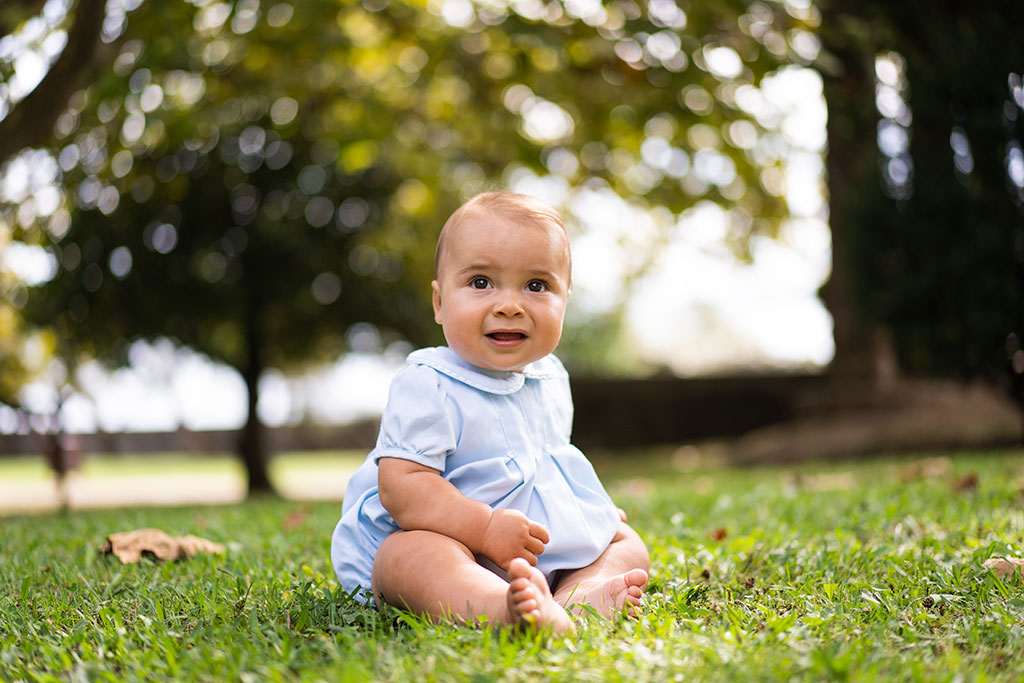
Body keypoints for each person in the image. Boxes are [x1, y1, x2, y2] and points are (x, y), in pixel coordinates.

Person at [331, 191, 649, 633]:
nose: (509, 305)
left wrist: (588, 510)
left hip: (536, 544)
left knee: (625, 542)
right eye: (481, 282)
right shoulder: (430, 383)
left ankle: (576, 597)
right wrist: (484, 529)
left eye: (536, 286)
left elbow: (548, 460)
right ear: (440, 303)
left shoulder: (550, 377)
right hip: (453, 544)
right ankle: (499, 608)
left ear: (565, 300)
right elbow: (403, 490)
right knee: (405, 556)